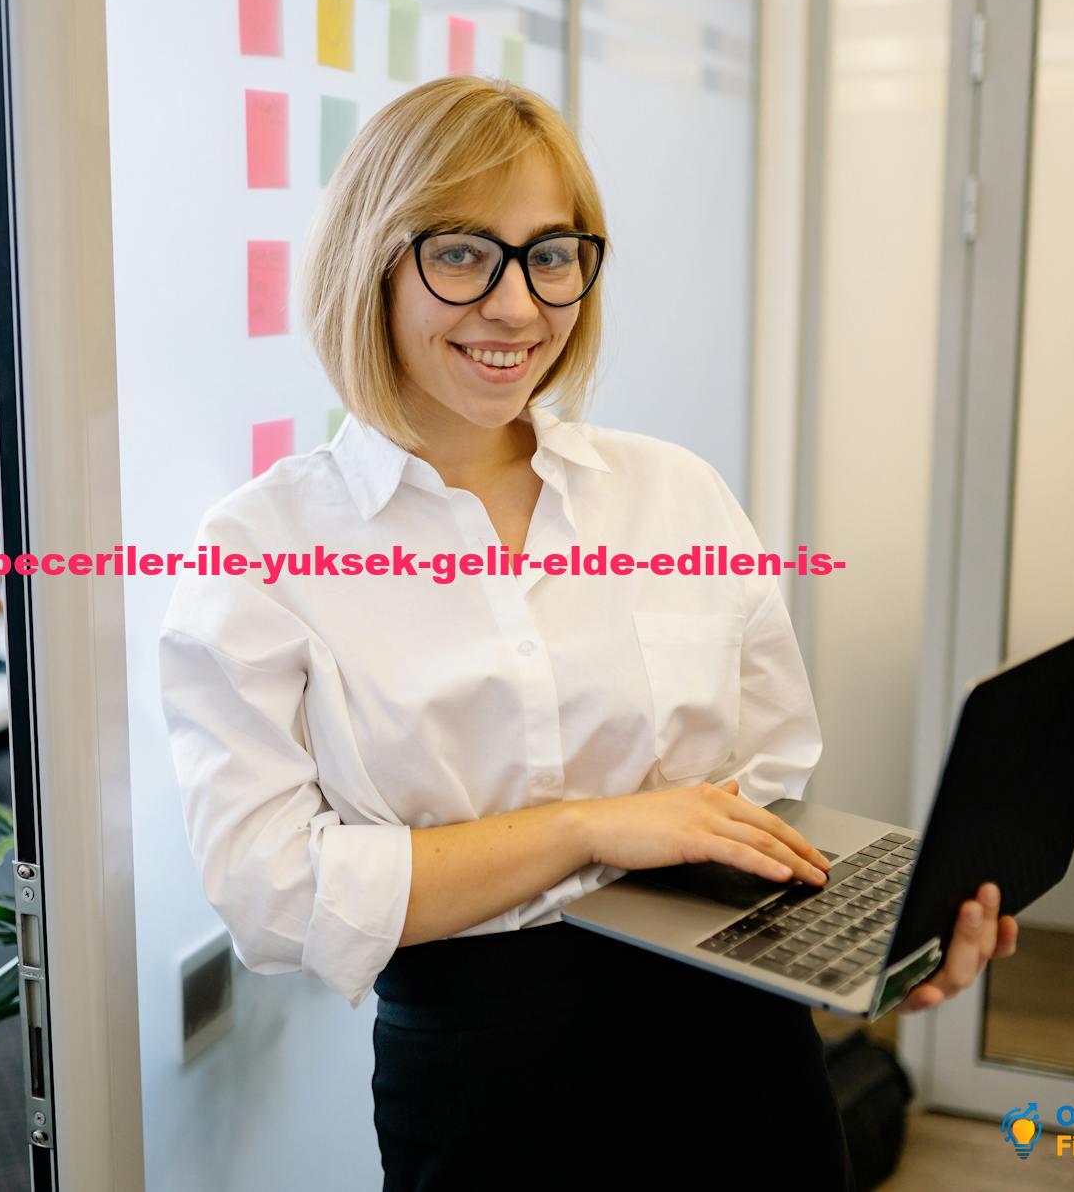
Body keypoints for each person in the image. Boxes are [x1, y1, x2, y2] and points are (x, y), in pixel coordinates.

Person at [156, 77, 1017, 1190]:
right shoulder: (261, 548)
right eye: (462, 253)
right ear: (372, 262)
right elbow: (272, 893)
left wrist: (881, 937)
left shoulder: (674, 493)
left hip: (743, 1042)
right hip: (488, 1086)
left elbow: (765, 784)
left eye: (551, 255)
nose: (517, 306)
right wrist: (584, 827)